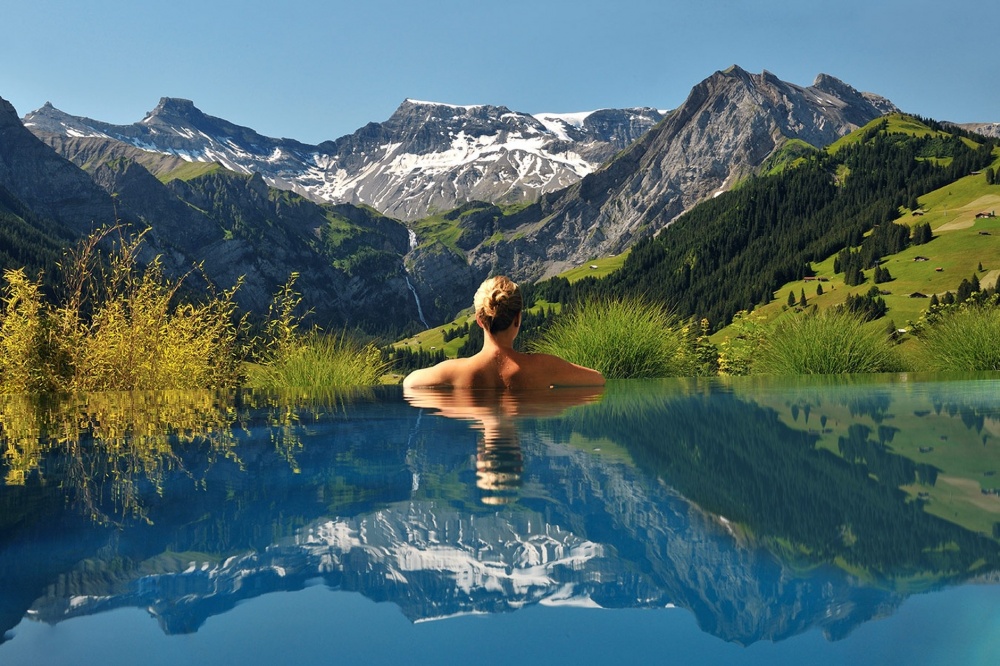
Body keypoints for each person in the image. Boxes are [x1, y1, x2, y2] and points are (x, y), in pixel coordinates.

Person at [402, 276, 605, 389]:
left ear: (480, 321)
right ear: (518, 318)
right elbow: (598, 380)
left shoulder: (454, 372)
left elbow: (409, 383)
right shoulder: (544, 367)